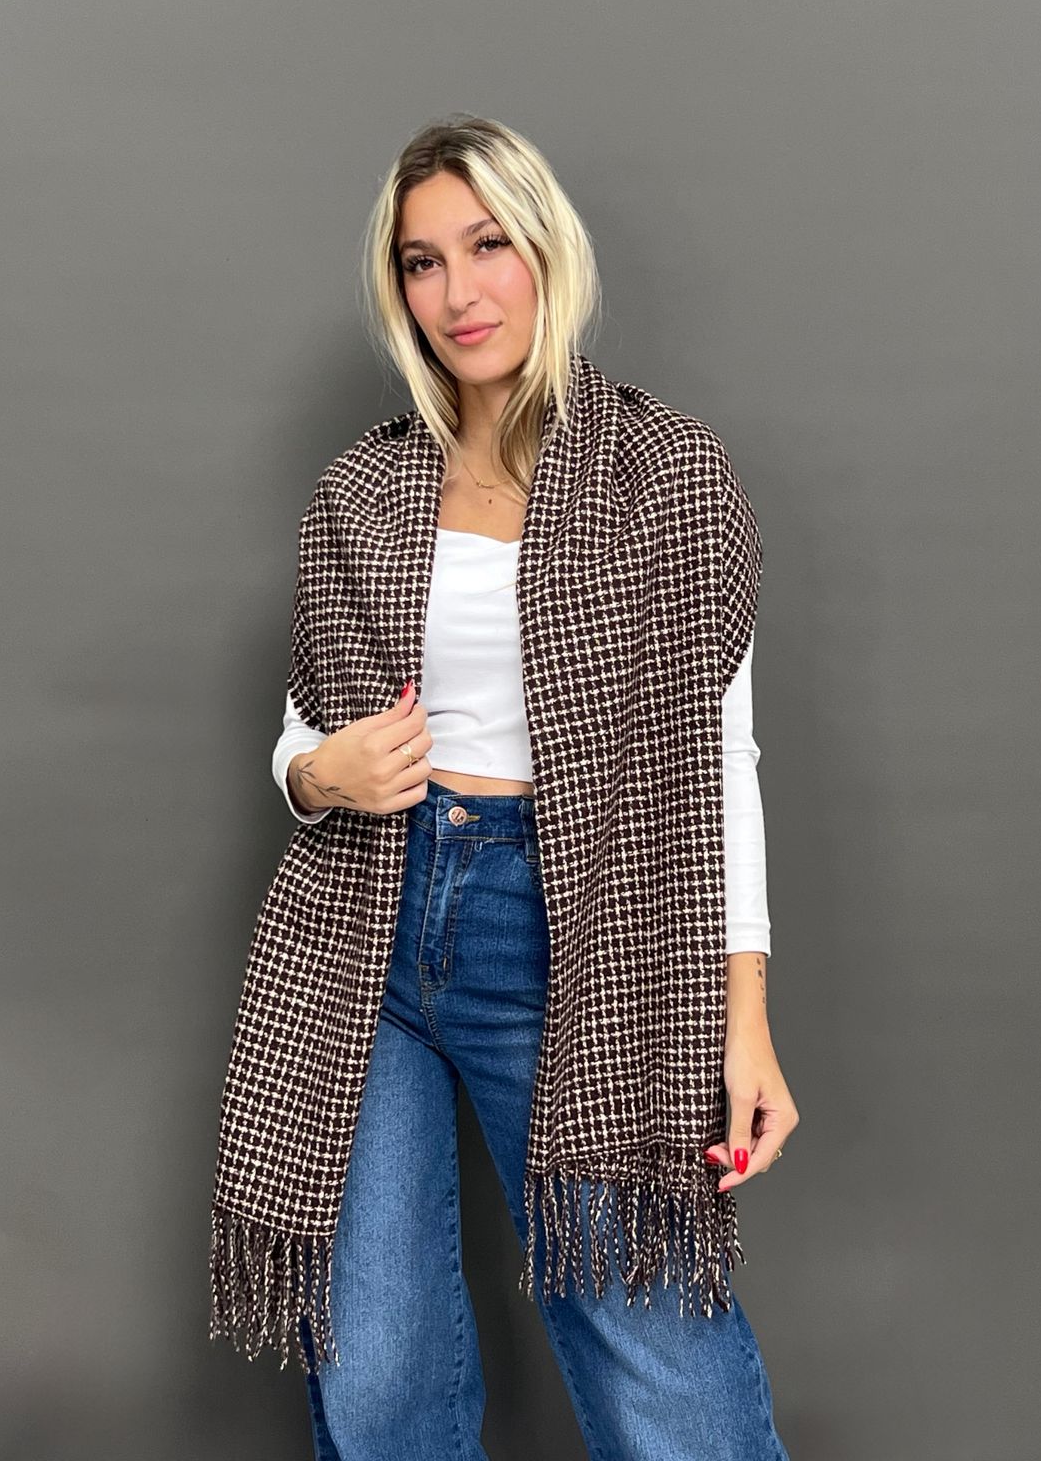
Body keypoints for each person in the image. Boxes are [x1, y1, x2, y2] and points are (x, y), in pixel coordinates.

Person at [211, 113, 799, 1461]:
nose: (458, 292)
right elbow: (305, 729)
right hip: (363, 919)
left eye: (487, 246)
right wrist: (317, 773)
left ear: (546, 250)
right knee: (374, 1367)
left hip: (578, 926)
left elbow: (719, 759)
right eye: (422, 262)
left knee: (651, 1343)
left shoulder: (666, 476)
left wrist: (745, 1017)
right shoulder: (364, 488)